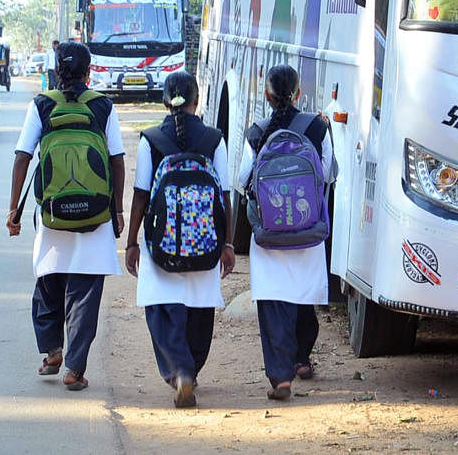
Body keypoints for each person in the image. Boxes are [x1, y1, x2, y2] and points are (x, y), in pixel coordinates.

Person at [6, 42, 125, 392]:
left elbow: (22, 156)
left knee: (48, 283)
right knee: (84, 294)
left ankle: (52, 351)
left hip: (53, 215)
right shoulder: (103, 106)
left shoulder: (42, 105)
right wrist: (117, 210)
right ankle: (74, 368)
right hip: (96, 215)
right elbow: (116, 159)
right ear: (90, 73)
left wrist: (13, 209)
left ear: (56, 71)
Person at [126, 71, 235, 408]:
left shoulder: (152, 139)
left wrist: (131, 242)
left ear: (163, 100)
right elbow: (226, 197)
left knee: (160, 307)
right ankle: (192, 368)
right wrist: (228, 243)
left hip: (162, 244)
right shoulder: (215, 139)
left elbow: (142, 195)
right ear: (197, 100)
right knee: (200, 308)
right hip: (206, 240)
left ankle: (180, 369)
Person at [237, 64, 333, 401]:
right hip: (308, 230)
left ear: (266, 95)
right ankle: (301, 359)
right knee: (302, 294)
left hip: (269, 233)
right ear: (298, 95)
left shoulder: (257, 132)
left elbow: (241, 180)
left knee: (274, 300)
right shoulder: (318, 128)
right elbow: (329, 174)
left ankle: (281, 377)